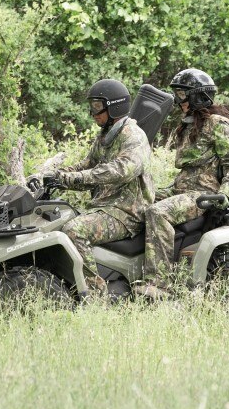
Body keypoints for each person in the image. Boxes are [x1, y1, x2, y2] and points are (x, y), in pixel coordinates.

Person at [137, 68, 229, 297]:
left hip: (203, 194)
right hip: (181, 188)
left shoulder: (217, 123)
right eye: (177, 94)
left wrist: (224, 194)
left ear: (198, 95)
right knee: (139, 198)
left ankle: (159, 283)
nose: (179, 100)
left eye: (182, 94)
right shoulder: (189, 124)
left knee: (158, 213)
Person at [50, 78, 153, 295]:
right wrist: (57, 176)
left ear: (114, 106)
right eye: (92, 106)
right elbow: (87, 166)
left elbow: (122, 170)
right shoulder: (106, 135)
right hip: (107, 208)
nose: (93, 113)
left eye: (98, 106)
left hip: (127, 212)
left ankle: (94, 293)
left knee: (74, 229)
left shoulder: (133, 136)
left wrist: (74, 179)